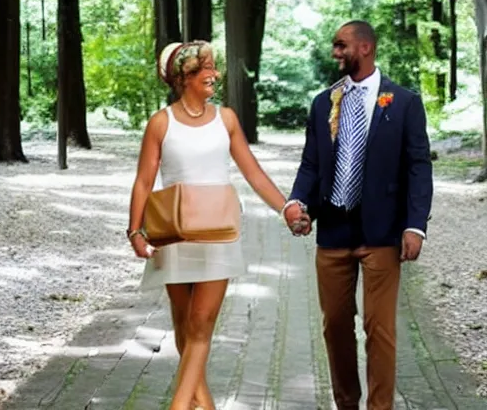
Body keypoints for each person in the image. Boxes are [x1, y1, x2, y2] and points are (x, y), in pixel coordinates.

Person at [127, 40, 292, 410]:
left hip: (219, 232)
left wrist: (287, 209)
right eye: (205, 69)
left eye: (213, 68)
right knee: (184, 324)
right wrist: (135, 231)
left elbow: (253, 173)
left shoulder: (227, 119)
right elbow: (143, 181)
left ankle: (179, 405)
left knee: (202, 321)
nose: (214, 75)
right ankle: (204, 404)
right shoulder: (161, 123)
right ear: (183, 75)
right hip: (173, 232)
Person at [283, 21, 433, 410]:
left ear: (365, 47)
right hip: (332, 231)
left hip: (383, 232)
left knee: (379, 329)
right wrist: (298, 204)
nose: (335, 52)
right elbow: (311, 164)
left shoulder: (403, 102)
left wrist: (415, 225)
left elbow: (418, 166)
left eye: (341, 45)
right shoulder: (323, 103)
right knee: (335, 326)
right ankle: (346, 403)